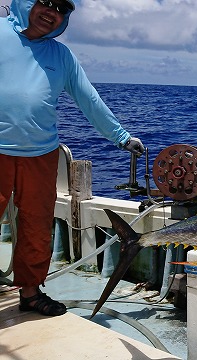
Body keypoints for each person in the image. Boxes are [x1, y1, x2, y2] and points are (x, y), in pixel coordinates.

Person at [0, 0, 144, 316]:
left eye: (61, 9)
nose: (51, 12)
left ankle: (31, 292)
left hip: (41, 154)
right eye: (45, 3)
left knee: (36, 226)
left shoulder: (61, 56)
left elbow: (88, 99)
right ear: (27, 3)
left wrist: (121, 137)